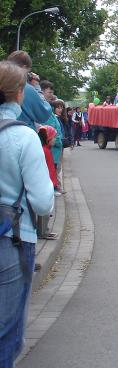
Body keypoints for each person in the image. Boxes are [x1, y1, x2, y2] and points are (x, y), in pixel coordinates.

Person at [0, 61, 55, 366]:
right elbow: (44, 203)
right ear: (19, 94)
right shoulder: (23, 137)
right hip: (13, 238)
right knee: (7, 331)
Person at [5, 50, 52, 131]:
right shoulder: (24, 88)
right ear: (24, 67)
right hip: (22, 136)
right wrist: (37, 87)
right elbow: (44, 114)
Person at [44, 100, 64, 196]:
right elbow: (51, 133)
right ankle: (52, 188)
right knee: (52, 169)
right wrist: (59, 141)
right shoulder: (50, 117)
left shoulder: (54, 117)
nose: (61, 109)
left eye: (61, 107)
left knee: (55, 169)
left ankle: (55, 187)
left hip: (56, 149)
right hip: (53, 149)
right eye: (58, 107)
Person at [38, 126, 59, 192]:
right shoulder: (45, 151)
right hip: (48, 187)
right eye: (54, 137)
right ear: (48, 138)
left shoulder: (46, 149)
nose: (55, 139)